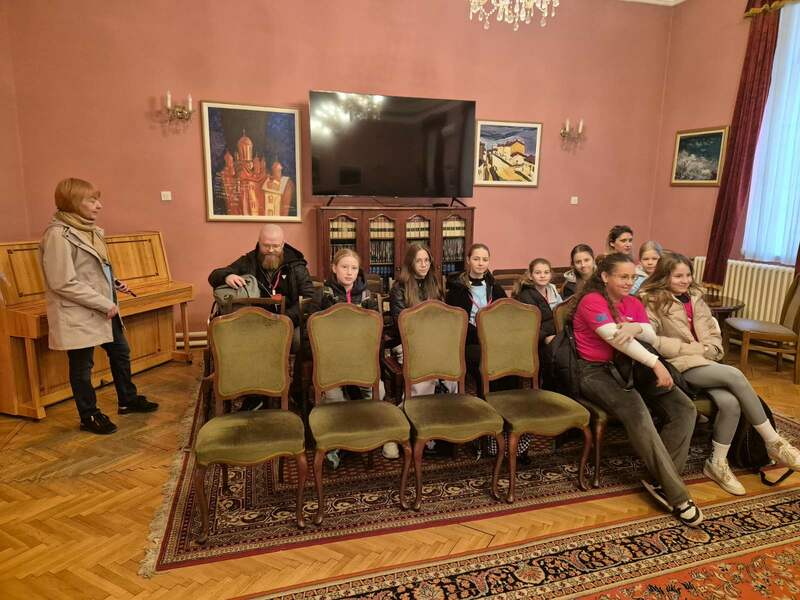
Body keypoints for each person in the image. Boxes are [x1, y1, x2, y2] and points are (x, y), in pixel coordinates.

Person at [640, 253, 800, 495]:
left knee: (731, 403)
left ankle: (716, 463)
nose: (685, 280)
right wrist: (695, 349)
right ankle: (773, 442)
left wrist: (710, 350)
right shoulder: (651, 301)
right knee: (735, 375)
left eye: (688, 275)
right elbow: (653, 342)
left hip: (706, 362)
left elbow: (714, 336)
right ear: (664, 276)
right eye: (678, 276)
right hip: (678, 364)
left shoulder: (696, 298)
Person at [571, 252, 703, 527]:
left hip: (630, 367)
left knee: (684, 408)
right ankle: (677, 495)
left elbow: (650, 334)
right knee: (638, 411)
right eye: (623, 277)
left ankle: (661, 481)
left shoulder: (632, 302)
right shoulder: (592, 300)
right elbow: (615, 338)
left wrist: (634, 327)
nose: (629, 282)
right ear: (605, 276)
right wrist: (656, 363)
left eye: (632, 277)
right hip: (594, 372)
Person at [40, 178, 158, 435]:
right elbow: (62, 282)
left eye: (98, 200)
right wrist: (104, 302)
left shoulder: (91, 230)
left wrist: (114, 282)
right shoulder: (57, 236)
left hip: (101, 307)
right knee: (82, 367)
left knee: (121, 352)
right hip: (79, 311)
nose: (99, 205)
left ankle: (127, 400)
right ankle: (89, 415)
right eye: (92, 200)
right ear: (73, 202)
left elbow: (92, 270)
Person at [319, 249, 394, 466]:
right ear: (334, 268)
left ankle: (377, 433)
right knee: (334, 399)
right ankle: (340, 442)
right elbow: (315, 330)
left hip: (362, 358)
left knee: (378, 391)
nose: (349, 272)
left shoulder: (367, 296)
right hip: (333, 359)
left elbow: (376, 330)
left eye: (353, 268)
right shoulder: (325, 295)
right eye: (344, 267)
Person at [208, 224, 316, 351]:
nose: (270, 250)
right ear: (259, 243)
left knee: (297, 340)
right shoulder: (249, 261)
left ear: (282, 244)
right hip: (255, 321)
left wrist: (285, 318)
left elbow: (309, 297)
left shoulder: (296, 265)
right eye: (266, 245)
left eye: (275, 246)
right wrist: (227, 276)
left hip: (289, 320)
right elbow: (214, 276)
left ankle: (286, 364)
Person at [389, 244, 456, 397]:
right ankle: (418, 405)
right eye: (418, 261)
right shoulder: (399, 287)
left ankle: (449, 401)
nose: (424, 264)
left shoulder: (434, 283)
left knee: (451, 361)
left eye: (427, 260)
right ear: (410, 263)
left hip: (434, 341)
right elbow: (402, 324)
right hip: (408, 343)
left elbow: (443, 317)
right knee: (425, 365)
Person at [513, 258, 561, 346]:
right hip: (536, 340)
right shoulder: (524, 296)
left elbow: (560, 313)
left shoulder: (552, 289)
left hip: (553, 332)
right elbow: (528, 327)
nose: (542, 276)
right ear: (530, 276)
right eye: (538, 273)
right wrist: (545, 338)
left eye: (546, 272)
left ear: (550, 275)